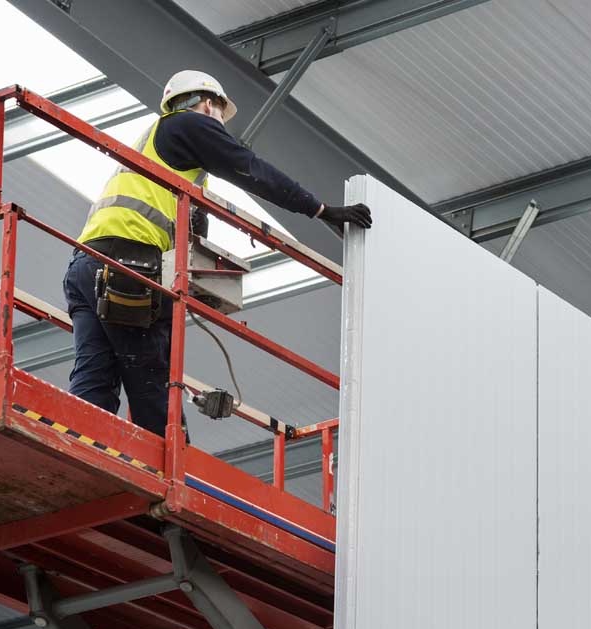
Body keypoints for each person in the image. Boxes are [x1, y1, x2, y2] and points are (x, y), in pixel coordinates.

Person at [63, 70, 371, 438]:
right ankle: (174, 481)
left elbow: (192, 236)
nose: (221, 127)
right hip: (128, 266)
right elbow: (248, 168)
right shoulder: (188, 124)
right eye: (221, 117)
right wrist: (319, 209)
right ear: (209, 105)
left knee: (94, 377)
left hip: (85, 264)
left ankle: (78, 447)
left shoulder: (163, 152)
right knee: (151, 382)